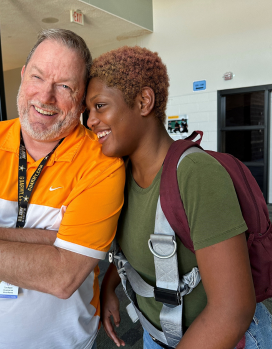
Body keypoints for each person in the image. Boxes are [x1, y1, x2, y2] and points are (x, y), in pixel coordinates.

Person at [0, 29, 125, 349]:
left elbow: (63, 278)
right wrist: (53, 242)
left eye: (65, 86)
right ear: (22, 77)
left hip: (64, 342)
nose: (45, 97)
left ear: (82, 96)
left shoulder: (102, 162)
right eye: (38, 77)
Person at [85, 45, 272, 349]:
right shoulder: (119, 173)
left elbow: (232, 311)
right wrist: (109, 285)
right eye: (88, 110)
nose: (91, 120)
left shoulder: (196, 174)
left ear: (144, 101)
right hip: (157, 336)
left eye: (100, 106)